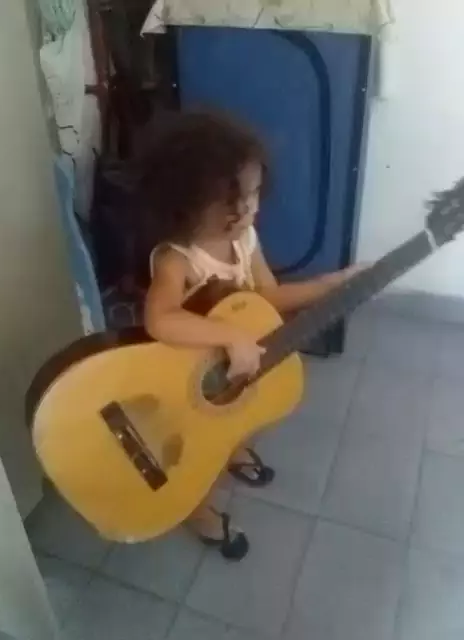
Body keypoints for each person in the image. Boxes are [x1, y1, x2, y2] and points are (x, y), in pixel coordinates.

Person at [140, 111, 358, 561]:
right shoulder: (177, 260)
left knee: (247, 418)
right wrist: (229, 336)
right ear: (186, 202)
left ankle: (237, 449)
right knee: (201, 457)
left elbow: (266, 298)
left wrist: (329, 284)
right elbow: (159, 320)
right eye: (231, 200)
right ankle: (198, 512)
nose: (248, 209)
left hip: (233, 369)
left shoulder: (245, 239)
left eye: (254, 193)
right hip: (188, 381)